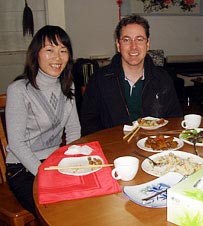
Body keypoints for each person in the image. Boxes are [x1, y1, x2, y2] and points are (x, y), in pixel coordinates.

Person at [5, 25, 81, 216]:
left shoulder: (68, 86)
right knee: (59, 213)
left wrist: (71, 164)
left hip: (55, 161)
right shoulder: (19, 90)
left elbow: (73, 130)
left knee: (88, 197)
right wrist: (45, 174)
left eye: (63, 51)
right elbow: (16, 144)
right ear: (36, 53)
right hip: (23, 168)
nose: (57, 57)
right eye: (49, 50)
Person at [81, 14, 182, 136]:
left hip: (154, 147)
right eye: (127, 40)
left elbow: (175, 121)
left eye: (139, 39)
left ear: (148, 43)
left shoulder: (163, 79)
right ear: (118, 45)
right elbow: (89, 124)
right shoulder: (99, 80)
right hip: (113, 148)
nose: (134, 47)